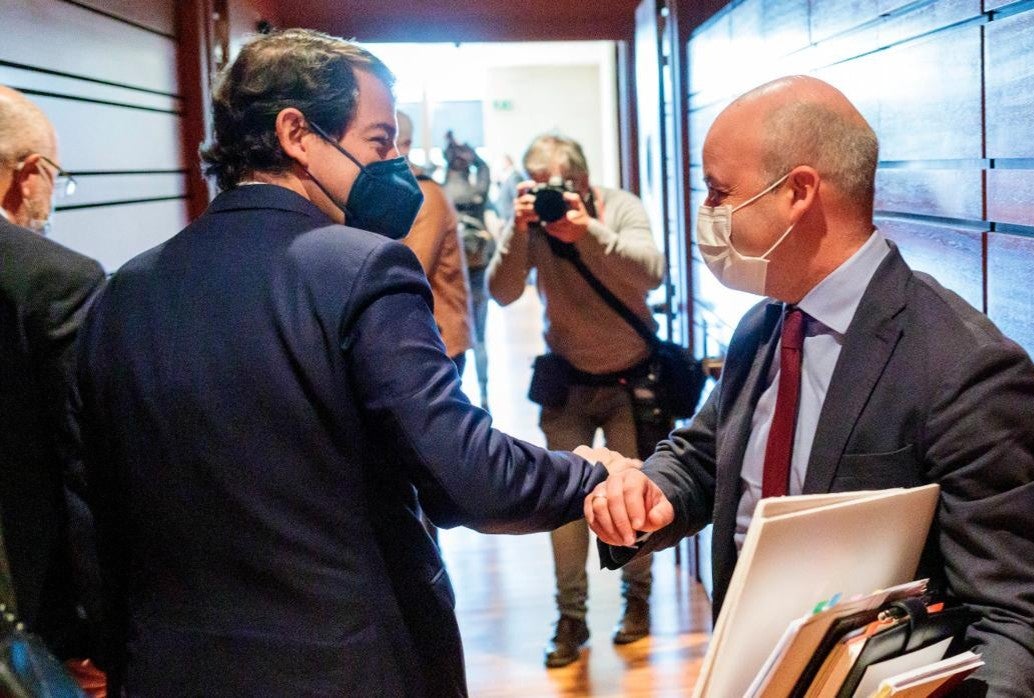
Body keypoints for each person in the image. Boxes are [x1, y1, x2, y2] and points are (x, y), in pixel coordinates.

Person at [74, 30, 619, 697]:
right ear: (297, 133)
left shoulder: (122, 291)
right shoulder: (359, 268)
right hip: (346, 669)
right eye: (380, 141)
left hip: (168, 670)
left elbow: (94, 510)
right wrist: (587, 474)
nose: (395, 163)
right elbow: (464, 476)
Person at [586, 76, 1034, 697]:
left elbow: (1017, 623)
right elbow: (712, 453)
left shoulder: (967, 368)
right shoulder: (764, 323)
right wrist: (650, 491)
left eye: (717, 192)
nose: (705, 215)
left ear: (798, 192)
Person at [487, 134, 665, 667]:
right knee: (563, 508)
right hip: (566, 383)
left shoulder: (620, 208)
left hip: (629, 383)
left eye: (558, 187)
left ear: (583, 183)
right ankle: (571, 618)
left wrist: (588, 231)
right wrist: (518, 234)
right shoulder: (533, 229)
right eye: (537, 188)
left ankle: (638, 603)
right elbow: (502, 292)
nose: (549, 199)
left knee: (637, 497)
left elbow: (650, 272)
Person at [0, 85, 108, 695]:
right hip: (30, 618)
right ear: (30, 174)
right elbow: (80, 466)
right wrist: (93, 632)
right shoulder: (54, 279)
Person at [396, 110, 474, 374]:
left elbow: (410, 271)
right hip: (421, 338)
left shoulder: (424, 194)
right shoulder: (406, 191)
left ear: (404, 145)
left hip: (438, 343)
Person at [442, 133, 494, 410]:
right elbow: (484, 172)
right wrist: (475, 156)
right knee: (481, 337)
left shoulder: (443, 192)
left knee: (454, 337)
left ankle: (457, 397)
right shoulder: (476, 192)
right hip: (477, 265)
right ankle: (484, 393)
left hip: (455, 272)